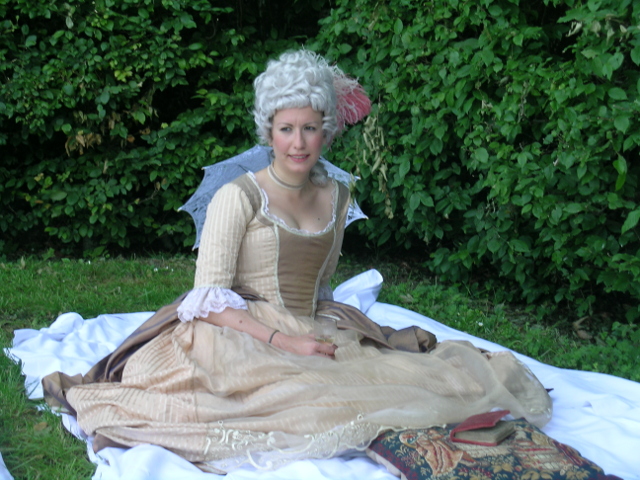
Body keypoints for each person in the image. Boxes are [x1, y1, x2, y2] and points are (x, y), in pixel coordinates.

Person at [43, 50, 552, 473]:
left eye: (310, 128)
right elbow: (206, 300)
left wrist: (326, 333)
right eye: (286, 129)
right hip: (233, 330)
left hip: (311, 320)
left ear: (327, 131)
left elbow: (322, 284)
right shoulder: (238, 197)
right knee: (296, 408)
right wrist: (286, 341)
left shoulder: (338, 194)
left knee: (406, 384)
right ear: (269, 131)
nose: (298, 143)